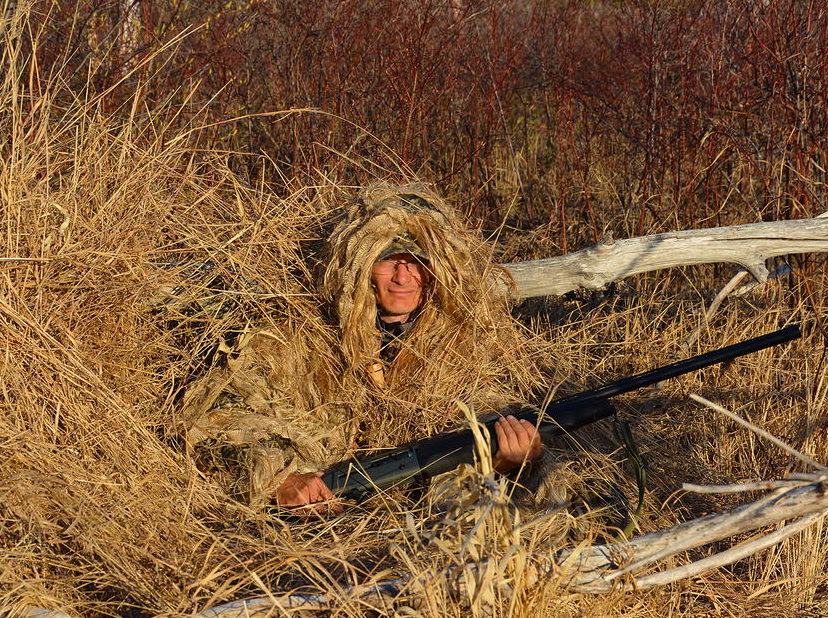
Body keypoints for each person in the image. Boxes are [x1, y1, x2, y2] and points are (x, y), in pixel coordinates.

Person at [179, 183, 562, 516]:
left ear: (441, 269)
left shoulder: (466, 342)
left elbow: (487, 410)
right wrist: (280, 478)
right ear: (359, 265)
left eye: (418, 262)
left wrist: (509, 458)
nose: (403, 277)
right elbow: (223, 417)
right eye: (389, 261)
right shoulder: (300, 333)